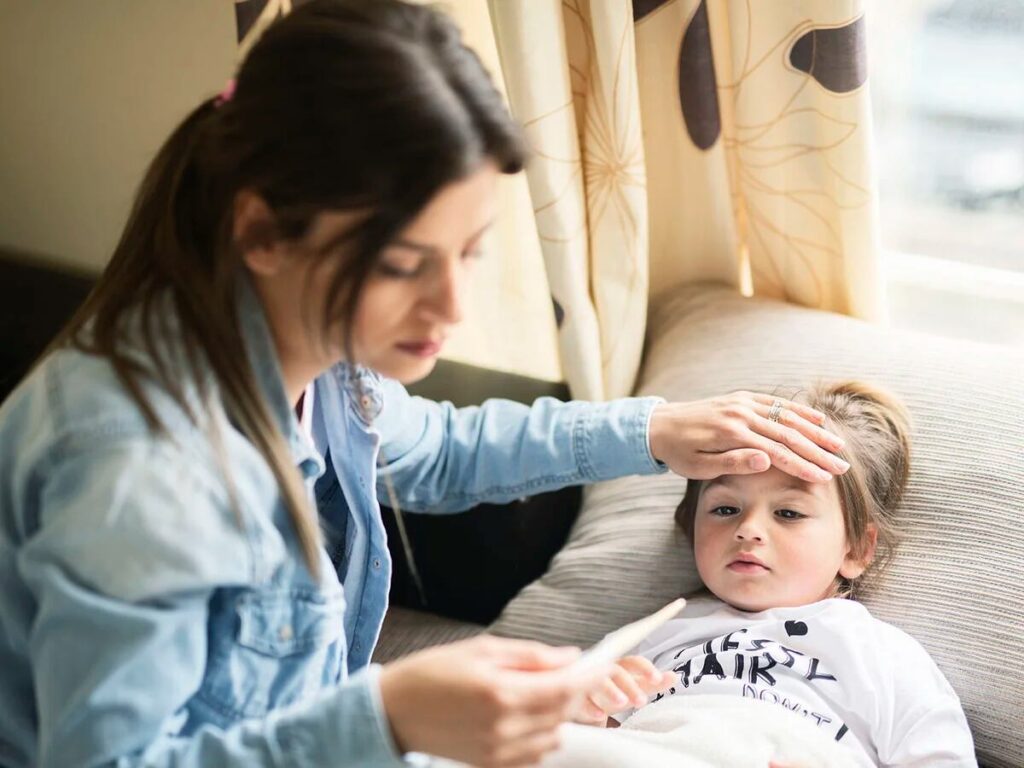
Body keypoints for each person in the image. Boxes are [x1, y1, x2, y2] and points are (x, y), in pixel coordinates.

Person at [0, 2, 851, 767]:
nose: (451, 305)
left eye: (470, 251)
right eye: (405, 265)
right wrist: (386, 717)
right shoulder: (137, 470)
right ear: (262, 231)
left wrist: (652, 431)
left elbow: (436, 450)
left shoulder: (315, 353)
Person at [577, 382, 976, 767]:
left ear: (856, 549)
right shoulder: (653, 634)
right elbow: (574, 734)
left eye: (788, 513)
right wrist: (590, 714)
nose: (748, 529)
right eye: (725, 509)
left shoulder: (883, 656)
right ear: (691, 528)